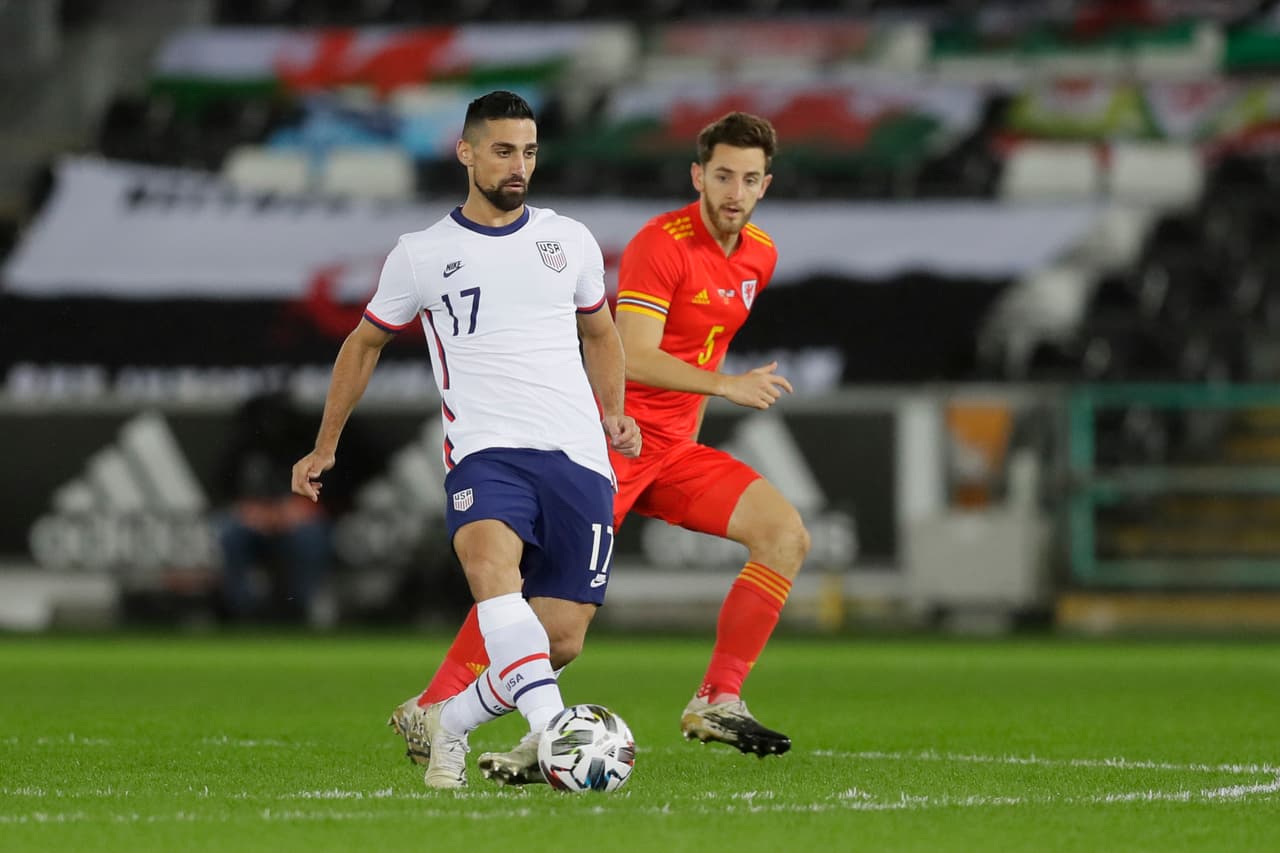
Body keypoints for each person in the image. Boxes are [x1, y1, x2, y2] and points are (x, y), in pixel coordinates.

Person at [396, 112, 808, 785]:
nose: (736, 190)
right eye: (724, 175)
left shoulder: (759, 253)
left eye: (751, 178)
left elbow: (703, 346)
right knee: (553, 619)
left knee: (785, 534)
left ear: (766, 185)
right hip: (610, 443)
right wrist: (727, 387)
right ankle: (437, 705)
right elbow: (636, 356)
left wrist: (697, 424)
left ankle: (718, 697)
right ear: (698, 176)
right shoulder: (661, 244)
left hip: (675, 453)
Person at [292, 90, 641, 789]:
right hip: (485, 451)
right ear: (467, 151)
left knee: (560, 638)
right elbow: (362, 345)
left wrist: (615, 410)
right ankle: (554, 731)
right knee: (491, 570)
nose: (520, 165)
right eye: (505, 150)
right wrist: (324, 444)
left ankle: (446, 722)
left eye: (531, 151)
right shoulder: (421, 254)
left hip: (577, 456)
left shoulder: (566, 240)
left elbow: (600, 332)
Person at [216, 390, 334, 626]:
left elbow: (331, 493)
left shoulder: (305, 443)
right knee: (229, 532)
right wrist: (251, 511)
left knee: (310, 535)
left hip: (296, 520)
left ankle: (303, 609)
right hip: (252, 522)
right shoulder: (241, 446)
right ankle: (242, 612)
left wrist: (294, 510)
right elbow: (222, 490)